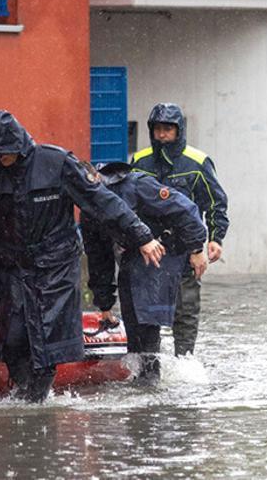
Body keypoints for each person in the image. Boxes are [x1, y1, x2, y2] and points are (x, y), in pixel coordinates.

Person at [0, 110, 164, 403]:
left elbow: (103, 202)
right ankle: (23, 394)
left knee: (47, 343)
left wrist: (142, 237)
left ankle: (35, 403)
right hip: (14, 268)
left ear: (19, 145)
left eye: (7, 153)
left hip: (55, 267)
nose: (3, 159)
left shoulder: (57, 163)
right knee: (12, 340)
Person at [81, 162, 208, 384]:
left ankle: (153, 376)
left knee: (147, 313)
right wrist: (105, 304)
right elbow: (99, 257)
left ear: (96, 177)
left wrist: (197, 249)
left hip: (165, 247)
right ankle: (142, 371)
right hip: (134, 253)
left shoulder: (135, 186)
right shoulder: (89, 208)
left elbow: (185, 209)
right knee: (131, 314)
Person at [131, 103, 229, 356]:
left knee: (185, 310)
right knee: (148, 312)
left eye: (168, 129)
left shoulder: (197, 162)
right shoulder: (140, 161)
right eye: (158, 129)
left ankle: (185, 361)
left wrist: (215, 238)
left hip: (187, 249)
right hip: (151, 249)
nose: (162, 135)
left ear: (179, 130)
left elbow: (215, 202)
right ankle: (149, 367)